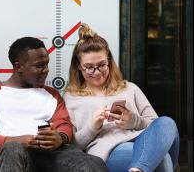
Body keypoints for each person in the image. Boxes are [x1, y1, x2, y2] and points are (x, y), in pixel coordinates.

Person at [0, 37, 107, 172]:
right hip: (14, 152)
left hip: (52, 153)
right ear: (18, 67)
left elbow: (63, 124)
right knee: (12, 149)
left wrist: (59, 138)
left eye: (46, 64)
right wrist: (16, 140)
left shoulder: (52, 94)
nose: (46, 70)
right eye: (39, 66)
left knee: (94, 164)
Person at [64, 24, 179, 172]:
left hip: (143, 141)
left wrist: (133, 121)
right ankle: (139, 168)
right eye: (89, 67)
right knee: (163, 159)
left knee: (167, 122)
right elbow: (72, 147)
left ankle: (138, 168)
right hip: (110, 149)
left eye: (102, 65)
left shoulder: (130, 88)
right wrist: (92, 128)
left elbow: (158, 129)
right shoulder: (71, 98)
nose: (97, 72)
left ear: (110, 62)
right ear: (78, 66)